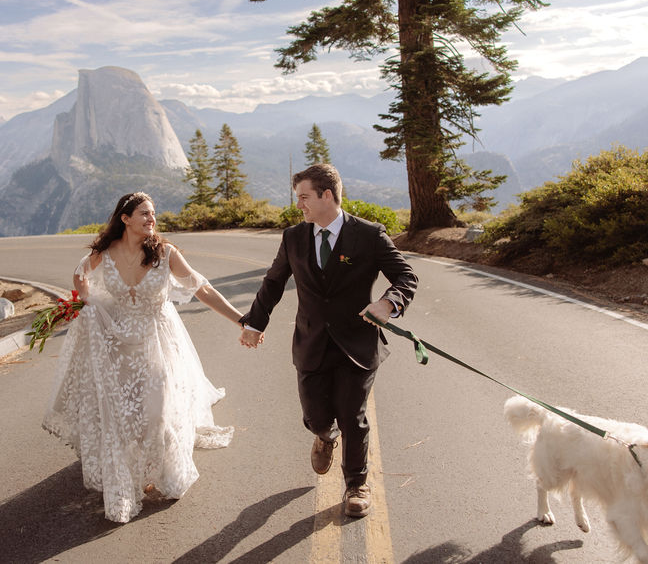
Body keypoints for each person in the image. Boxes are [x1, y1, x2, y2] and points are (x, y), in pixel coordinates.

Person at [42, 191, 243, 523]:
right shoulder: (104, 254)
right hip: (117, 346)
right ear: (125, 218)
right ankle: (127, 474)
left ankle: (153, 472)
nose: (152, 219)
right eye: (145, 214)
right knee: (122, 413)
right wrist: (87, 304)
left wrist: (240, 319)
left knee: (155, 410)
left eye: (153, 214)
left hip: (157, 344)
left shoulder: (165, 254)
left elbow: (202, 289)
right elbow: (79, 275)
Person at [238, 163, 418, 518]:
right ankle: (324, 435)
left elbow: (405, 275)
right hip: (311, 343)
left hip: (357, 344)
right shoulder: (293, 237)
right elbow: (274, 282)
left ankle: (356, 484)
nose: (299, 205)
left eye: (304, 197)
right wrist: (255, 323)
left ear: (326, 195)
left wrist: (388, 302)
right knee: (317, 415)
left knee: (354, 415)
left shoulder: (368, 234)